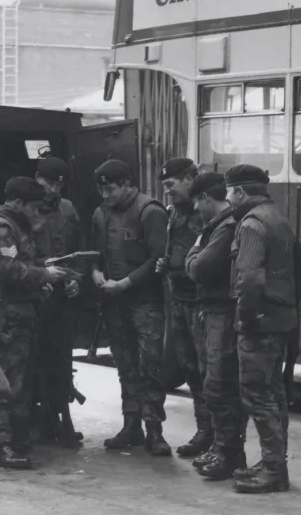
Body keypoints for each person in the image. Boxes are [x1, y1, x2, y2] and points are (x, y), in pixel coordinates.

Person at [0, 176, 71, 469]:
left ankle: (10, 439)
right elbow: (7, 269)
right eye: (34, 207)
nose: (37, 214)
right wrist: (44, 276)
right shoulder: (2, 228)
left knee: (15, 381)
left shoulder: (12, 225)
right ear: (19, 203)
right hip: (6, 317)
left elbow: (21, 265)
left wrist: (42, 272)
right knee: (4, 383)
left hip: (17, 313)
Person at [225, 164, 298, 493]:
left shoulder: (252, 224)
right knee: (274, 395)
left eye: (229, 191)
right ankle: (275, 462)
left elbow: (250, 278)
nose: (227, 198)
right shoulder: (276, 217)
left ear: (240, 191)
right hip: (280, 318)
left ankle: (273, 469)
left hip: (260, 322)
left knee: (257, 394)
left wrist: (248, 319)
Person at [90, 159, 172, 455]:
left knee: (150, 365)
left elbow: (158, 259)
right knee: (125, 365)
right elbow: (96, 253)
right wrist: (96, 273)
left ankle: (155, 430)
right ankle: (131, 425)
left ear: (126, 184)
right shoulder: (101, 214)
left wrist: (124, 283)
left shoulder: (149, 212)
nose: (105, 195)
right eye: (101, 190)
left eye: (110, 189)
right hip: (115, 303)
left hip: (145, 302)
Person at [185, 171, 246, 480]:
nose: (195, 208)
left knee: (218, 384)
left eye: (197, 201)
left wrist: (193, 252)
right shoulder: (219, 226)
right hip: (215, 310)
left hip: (222, 312)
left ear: (206, 198)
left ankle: (228, 453)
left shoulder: (225, 227)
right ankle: (226, 450)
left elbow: (199, 268)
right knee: (218, 383)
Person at [156, 158, 212, 458]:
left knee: (208, 371)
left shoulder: (205, 213)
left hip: (201, 302)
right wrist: (165, 263)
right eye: (165, 186)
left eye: (172, 184)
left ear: (190, 180)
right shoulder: (173, 214)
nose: (168, 191)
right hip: (179, 298)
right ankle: (204, 431)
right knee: (190, 368)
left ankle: (216, 436)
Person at [31, 157, 84, 447]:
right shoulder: (25, 210)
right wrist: (43, 271)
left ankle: (62, 419)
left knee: (62, 360)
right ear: (38, 178)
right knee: (34, 361)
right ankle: (40, 421)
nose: (55, 189)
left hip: (61, 297)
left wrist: (75, 279)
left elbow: (75, 252)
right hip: (35, 295)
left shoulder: (67, 209)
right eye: (50, 182)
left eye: (59, 183)